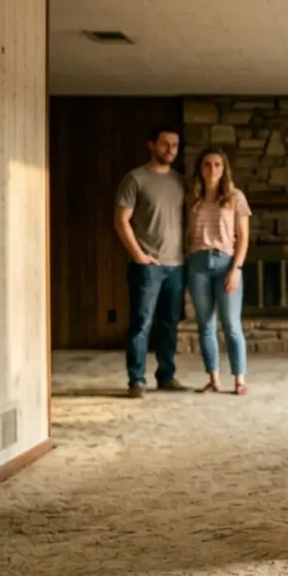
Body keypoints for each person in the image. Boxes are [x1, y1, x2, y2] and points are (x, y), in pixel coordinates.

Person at [114, 125, 188, 397]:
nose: (170, 150)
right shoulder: (136, 179)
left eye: (175, 145)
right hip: (147, 266)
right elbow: (121, 220)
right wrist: (139, 255)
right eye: (165, 144)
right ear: (151, 145)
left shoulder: (181, 182)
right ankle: (137, 380)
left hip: (177, 265)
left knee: (170, 324)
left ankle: (166, 376)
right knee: (141, 323)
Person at [184, 147, 252, 395]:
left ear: (224, 169)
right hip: (198, 264)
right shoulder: (192, 197)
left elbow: (243, 237)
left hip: (226, 263)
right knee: (205, 325)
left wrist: (236, 268)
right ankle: (213, 378)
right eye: (207, 164)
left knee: (231, 324)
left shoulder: (235, 196)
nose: (212, 169)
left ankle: (239, 379)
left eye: (217, 164)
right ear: (200, 169)